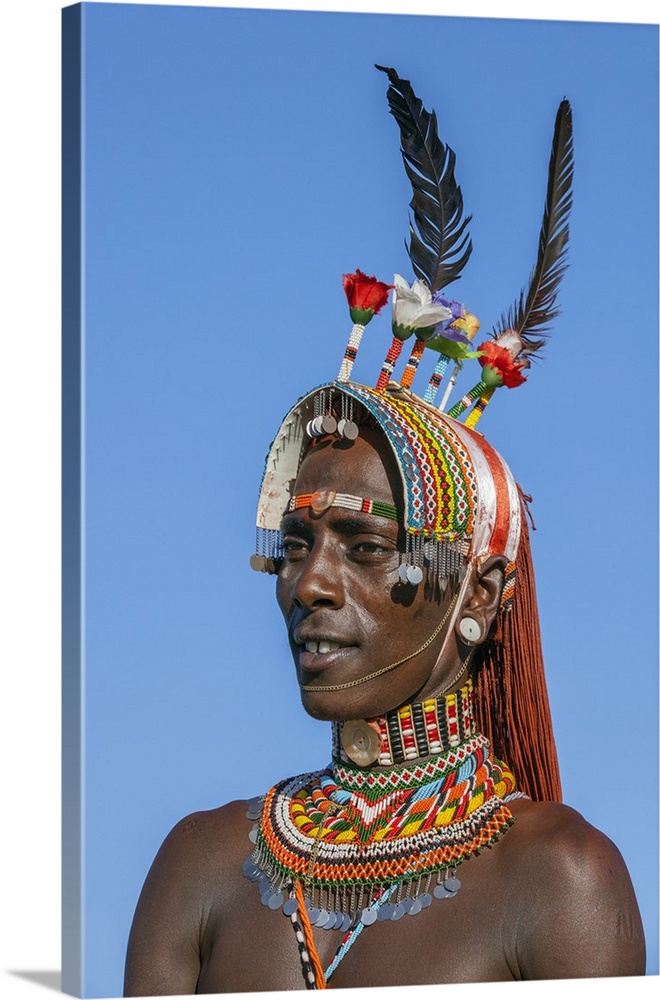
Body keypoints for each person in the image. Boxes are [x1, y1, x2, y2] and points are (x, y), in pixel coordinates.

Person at [124, 69, 645, 994]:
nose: (308, 585)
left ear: (479, 594)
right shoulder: (201, 870)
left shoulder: (558, 880)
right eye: (293, 545)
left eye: (365, 549)